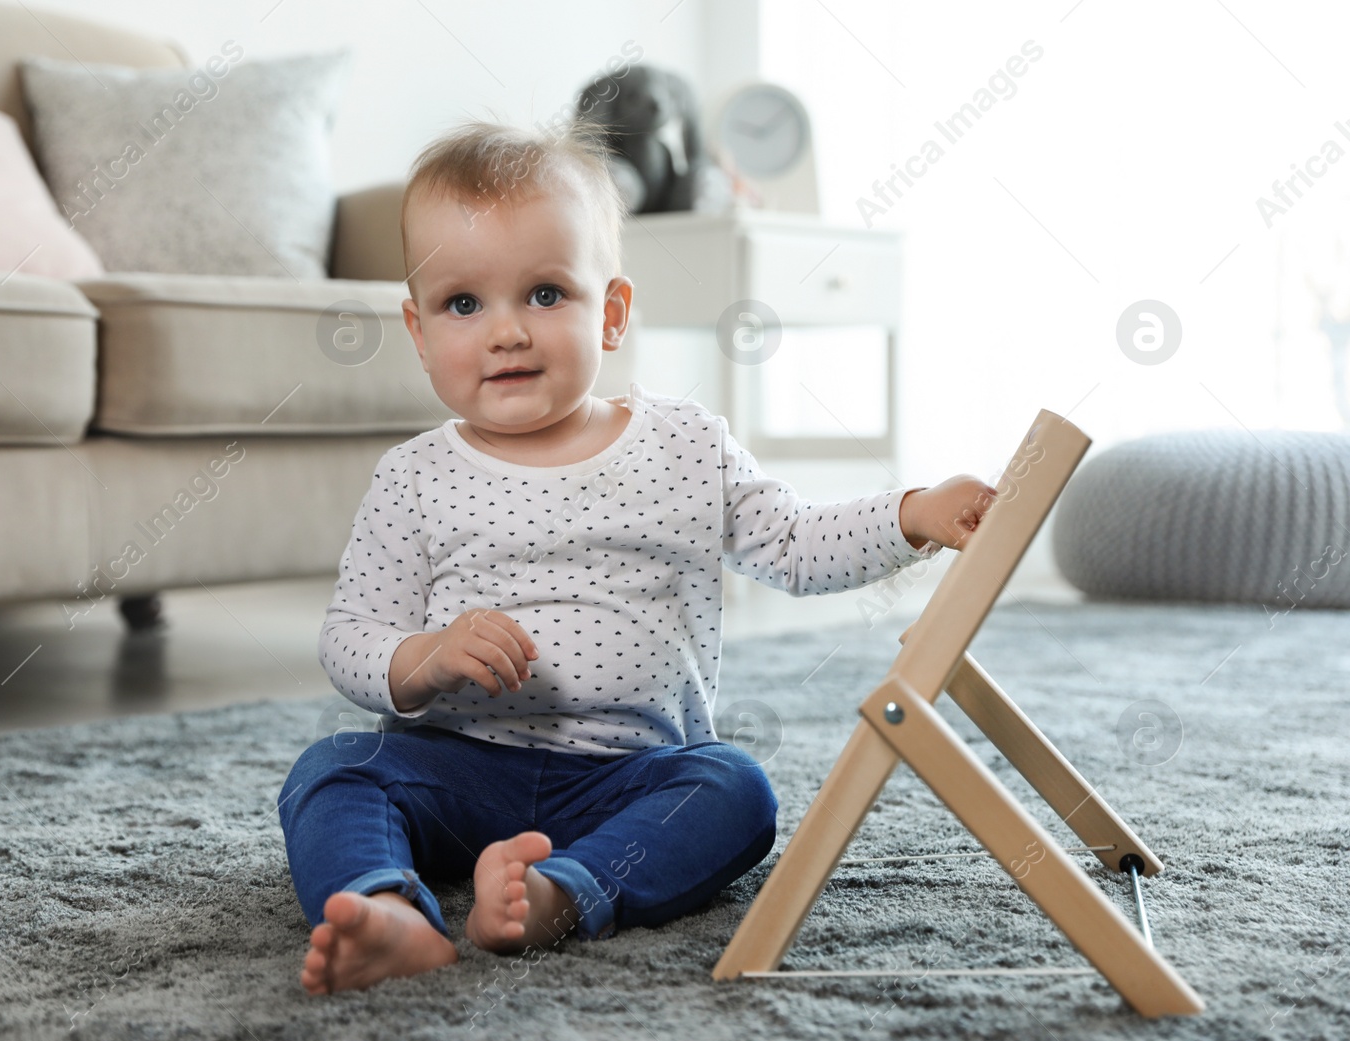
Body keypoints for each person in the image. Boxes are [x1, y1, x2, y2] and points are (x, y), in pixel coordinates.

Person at [279, 118, 998, 995]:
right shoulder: (416, 477)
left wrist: (915, 513)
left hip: (630, 775)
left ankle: (559, 894)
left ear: (611, 312)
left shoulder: (685, 446)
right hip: (457, 770)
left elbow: (797, 543)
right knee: (335, 771)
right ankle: (383, 906)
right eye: (464, 304)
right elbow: (350, 634)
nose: (506, 332)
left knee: (735, 789)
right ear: (420, 331)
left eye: (544, 294)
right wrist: (422, 657)